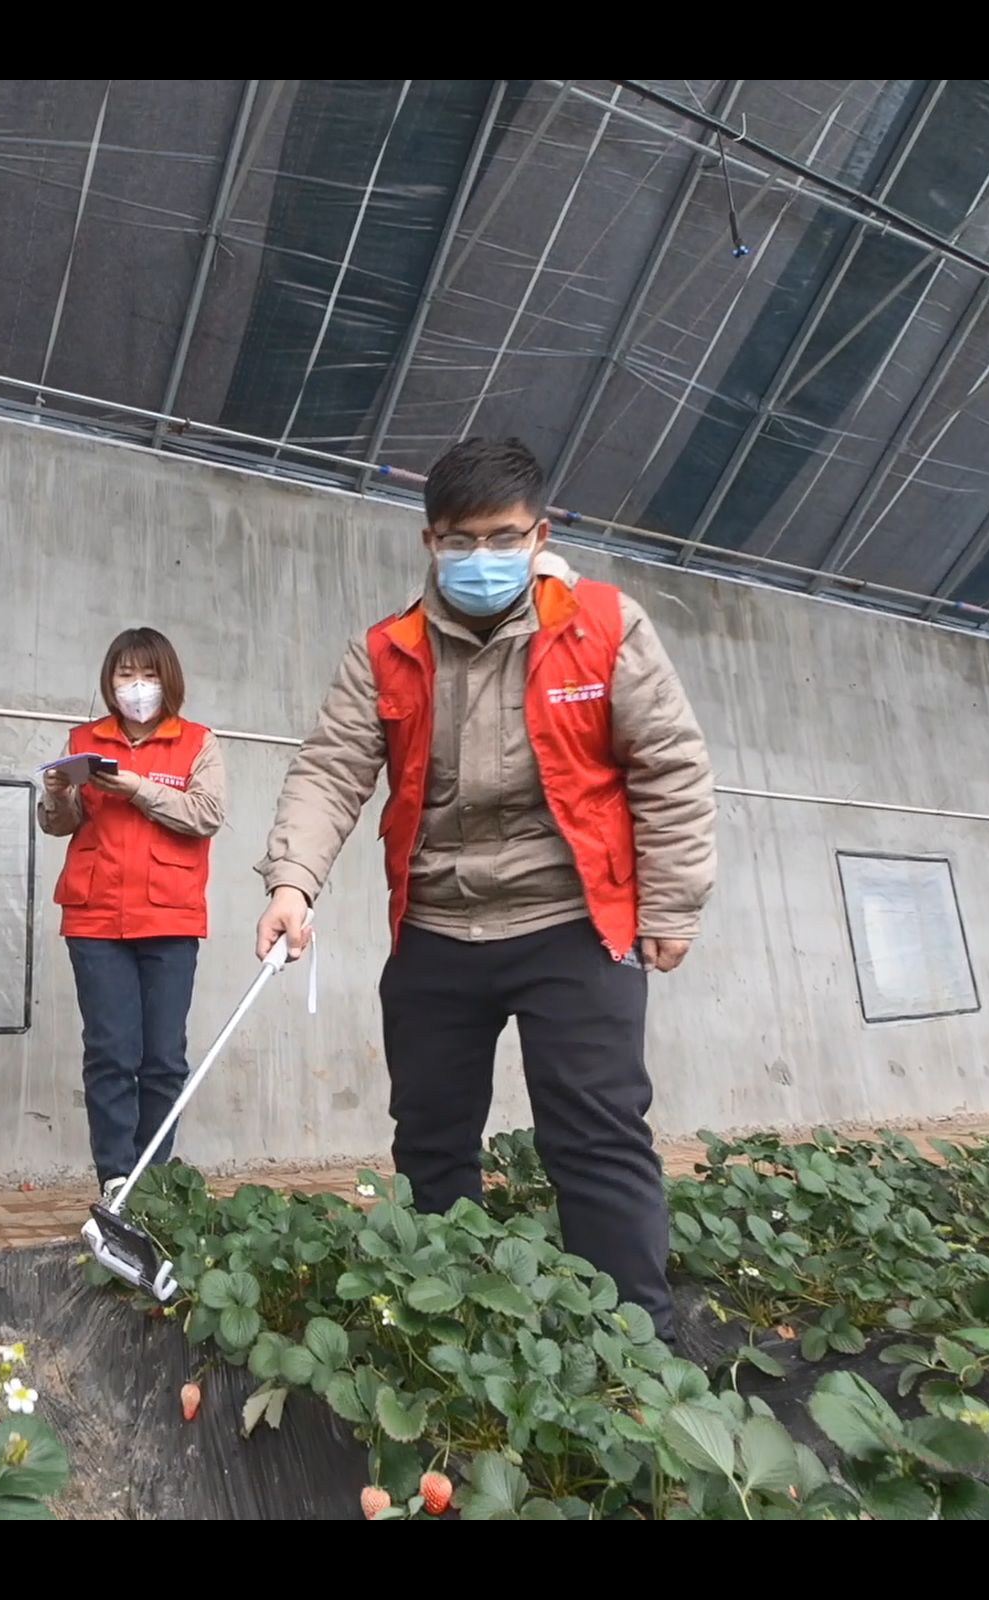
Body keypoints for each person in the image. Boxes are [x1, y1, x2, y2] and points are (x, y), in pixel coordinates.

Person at [254, 438, 715, 1343]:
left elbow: (671, 766)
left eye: (503, 538)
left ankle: (642, 1352)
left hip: (572, 924)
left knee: (596, 1136)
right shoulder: (385, 653)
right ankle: (447, 1329)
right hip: (436, 927)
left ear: (539, 533)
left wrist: (671, 903)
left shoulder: (605, 628)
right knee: (429, 1134)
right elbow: (330, 771)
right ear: (430, 542)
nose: (481, 559)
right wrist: (291, 881)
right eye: (461, 541)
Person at [40, 628, 227, 1200]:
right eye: (124, 675)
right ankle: (115, 1176)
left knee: (164, 1057)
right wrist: (58, 795)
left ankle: (154, 1178)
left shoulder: (197, 741)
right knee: (110, 1052)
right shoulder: (84, 740)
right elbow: (57, 825)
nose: (136, 687)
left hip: (169, 919)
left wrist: (137, 788)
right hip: (96, 919)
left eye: (147, 675)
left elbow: (207, 814)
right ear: (109, 681)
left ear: (167, 680)